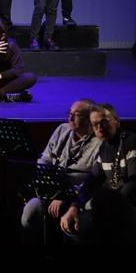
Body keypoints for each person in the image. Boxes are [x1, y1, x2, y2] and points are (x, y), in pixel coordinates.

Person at [19, 99, 100, 244]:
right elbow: (44, 160)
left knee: (73, 226)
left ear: (90, 119)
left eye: (77, 115)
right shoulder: (62, 129)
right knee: (30, 212)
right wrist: (49, 185)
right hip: (51, 189)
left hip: (79, 196)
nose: (70, 118)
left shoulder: (99, 142)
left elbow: (93, 180)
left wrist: (64, 196)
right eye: (69, 113)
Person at [60, 104, 136, 238]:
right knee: (72, 223)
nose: (100, 128)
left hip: (128, 207)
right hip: (113, 207)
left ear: (116, 121)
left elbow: (133, 182)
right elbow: (91, 182)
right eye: (95, 125)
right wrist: (74, 206)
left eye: (104, 123)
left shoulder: (131, 142)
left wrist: (110, 207)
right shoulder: (104, 148)